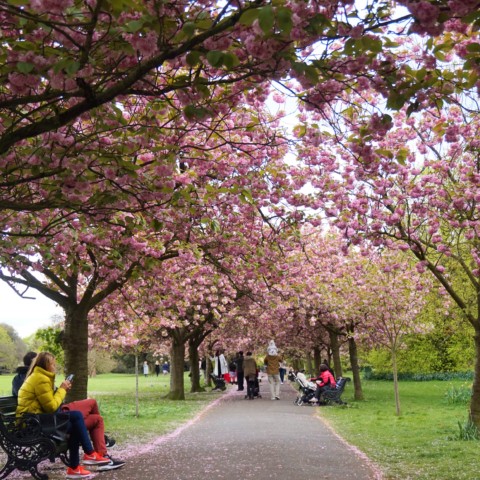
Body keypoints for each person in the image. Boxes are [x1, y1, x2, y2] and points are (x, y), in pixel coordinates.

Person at [12, 352, 123, 470]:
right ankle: (91, 454)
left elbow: (47, 402)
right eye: (53, 364)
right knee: (78, 416)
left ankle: (77, 466)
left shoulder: (39, 377)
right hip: (36, 424)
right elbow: (51, 407)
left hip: (41, 419)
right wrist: (62, 389)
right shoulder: (41, 378)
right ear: (46, 365)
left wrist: (61, 390)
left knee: (92, 419)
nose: (55, 367)